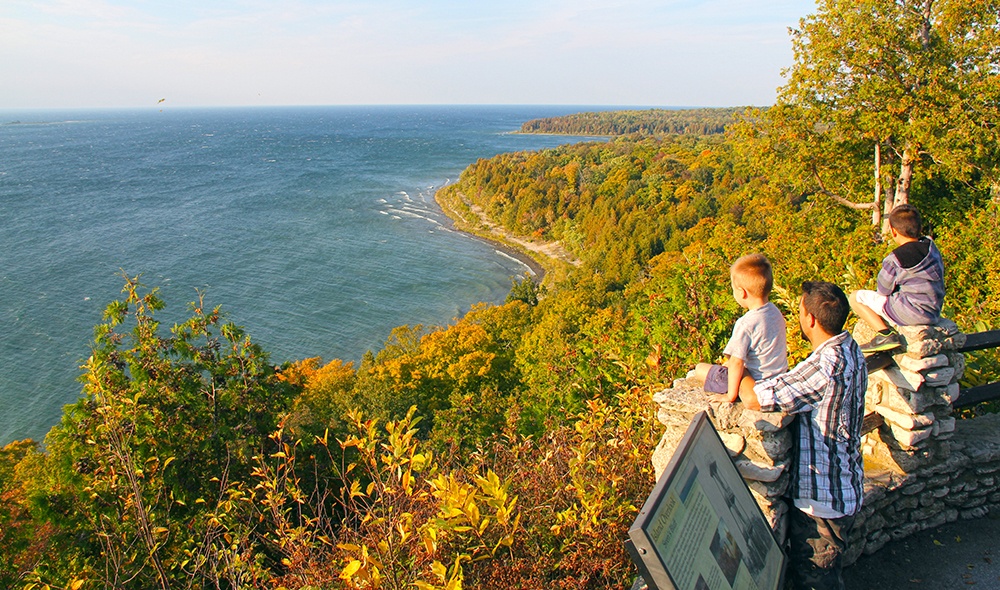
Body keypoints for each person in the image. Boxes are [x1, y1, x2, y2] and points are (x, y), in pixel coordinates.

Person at [739, 281, 867, 590]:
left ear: (810, 319)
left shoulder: (825, 367)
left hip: (822, 499)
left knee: (817, 577)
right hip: (845, 483)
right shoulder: (850, 350)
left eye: (798, 311)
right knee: (826, 570)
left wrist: (735, 374)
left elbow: (756, 398)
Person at [849, 204, 945, 353]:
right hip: (933, 311)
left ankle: (885, 334)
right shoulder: (931, 246)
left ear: (893, 232)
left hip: (910, 313)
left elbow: (883, 290)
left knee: (855, 297)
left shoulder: (895, 259)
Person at [692, 253, 788, 403]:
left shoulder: (746, 324)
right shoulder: (775, 312)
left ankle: (732, 390)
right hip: (777, 379)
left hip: (753, 382)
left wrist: (730, 395)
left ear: (742, 292)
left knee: (699, 370)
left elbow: (737, 362)